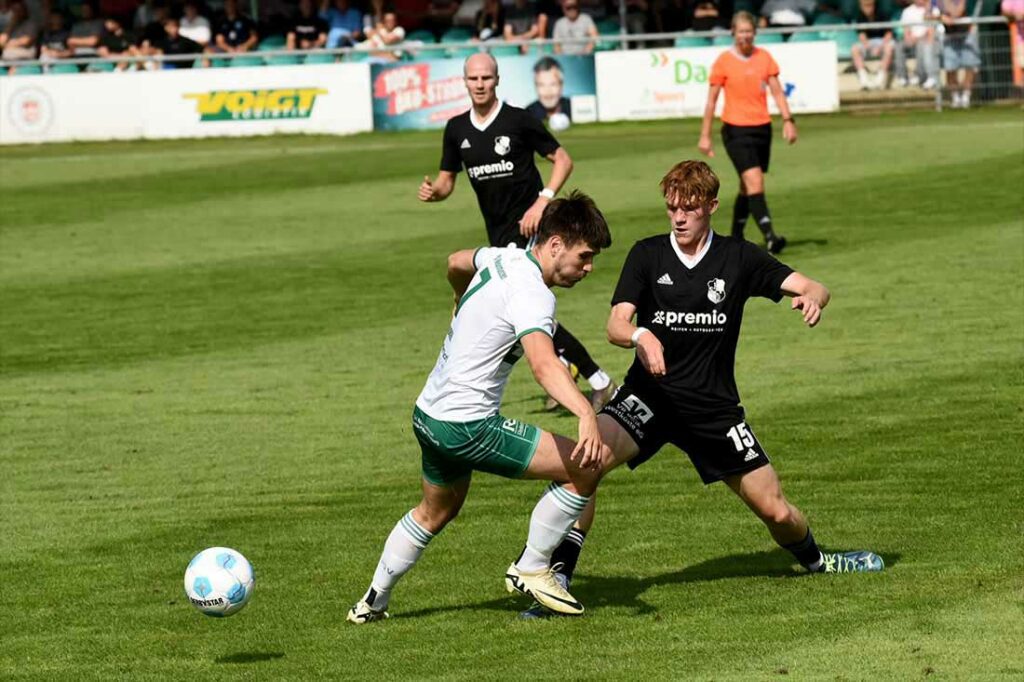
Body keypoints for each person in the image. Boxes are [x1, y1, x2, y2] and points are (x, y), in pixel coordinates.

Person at [522, 160, 885, 618]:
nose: (678, 217)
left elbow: (815, 285)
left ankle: (817, 561)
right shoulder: (648, 254)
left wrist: (813, 298)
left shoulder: (740, 258)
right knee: (584, 464)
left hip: (713, 410)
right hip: (648, 400)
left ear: (711, 206)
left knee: (776, 512)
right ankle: (556, 582)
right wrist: (640, 335)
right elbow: (616, 323)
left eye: (689, 208)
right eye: (672, 207)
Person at [346, 192, 614, 623]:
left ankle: (373, 601)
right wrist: (586, 413)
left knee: (435, 511)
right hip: (468, 425)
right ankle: (533, 566)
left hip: (428, 415)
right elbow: (545, 365)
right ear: (556, 244)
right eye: (585, 257)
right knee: (586, 466)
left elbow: (455, 261)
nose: (588, 268)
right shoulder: (534, 294)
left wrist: (458, 300)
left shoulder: (502, 258)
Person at [419, 53, 617, 412]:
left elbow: (563, 160)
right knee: (529, 311)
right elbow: (447, 180)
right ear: (465, 82)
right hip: (498, 235)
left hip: (530, 231)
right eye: (473, 79)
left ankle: (592, 379)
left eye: (486, 78)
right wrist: (435, 193)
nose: (480, 84)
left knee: (524, 309)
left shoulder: (519, 120)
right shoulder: (457, 129)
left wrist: (542, 201)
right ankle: (591, 377)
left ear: (497, 80)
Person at [698, 11, 794, 255]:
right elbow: (711, 101)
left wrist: (787, 120)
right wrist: (705, 134)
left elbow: (777, 92)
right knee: (755, 181)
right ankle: (771, 237)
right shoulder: (723, 62)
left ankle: (735, 237)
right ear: (733, 32)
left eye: (749, 31)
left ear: (754, 32)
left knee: (746, 185)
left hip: (762, 128)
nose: (745, 36)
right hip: (735, 129)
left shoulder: (764, 58)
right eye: (741, 31)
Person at [939, 0, 982, 108]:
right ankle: (956, 98)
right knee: (950, 68)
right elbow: (927, 15)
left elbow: (958, 12)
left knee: (969, 65)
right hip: (949, 35)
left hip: (967, 33)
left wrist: (945, 10)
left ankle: (966, 97)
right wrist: (940, 17)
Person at [850, 0, 896, 90]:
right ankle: (864, 79)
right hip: (869, 42)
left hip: (883, 41)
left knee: (889, 48)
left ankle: (880, 78)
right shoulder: (859, 16)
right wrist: (869, 47)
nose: (867, 9)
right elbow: (862, 36)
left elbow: (888, 34)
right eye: (864, 6)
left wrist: (880, 47)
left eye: (869, 6)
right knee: (854, 49)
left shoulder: (883, 14)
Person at [894, 0, 939, 89]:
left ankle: (919, 75)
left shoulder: (934, 10)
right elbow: (906, 29)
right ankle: (902, 77)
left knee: (922, 45)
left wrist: (917, 38)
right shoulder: (907, 11)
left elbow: (930, 32)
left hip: (924, 40)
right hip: (911, 39)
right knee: (899, 45)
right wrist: (908, 38)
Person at [527, 56, 571, 122]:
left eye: (553, 84)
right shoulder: (527, 115)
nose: (548, 92)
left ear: (561, 85)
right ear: (535, 87)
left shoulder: (574, 109)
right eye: (541, 85)